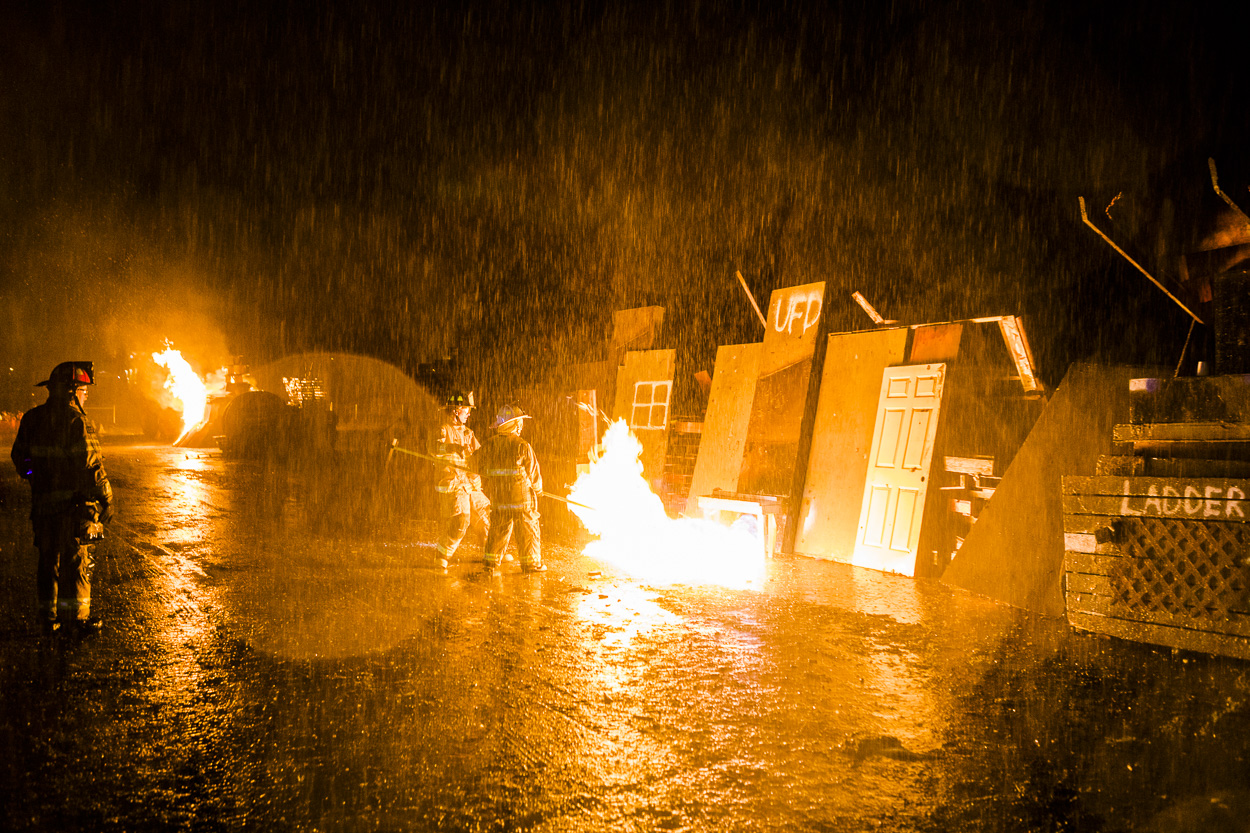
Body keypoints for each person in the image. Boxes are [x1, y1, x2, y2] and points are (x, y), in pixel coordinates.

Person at [10, 361, 114, 635]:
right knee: (76, 563)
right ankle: (76, 619)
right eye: (83, 390)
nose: (85, 395)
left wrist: (37, 476)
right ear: (71, 391)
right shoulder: (75, 421)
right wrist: (107, 499)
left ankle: (49, 619)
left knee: (48, 563)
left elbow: (20, 458)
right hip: (73, 508)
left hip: (43, 507)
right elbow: (90, 466)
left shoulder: (32, 419)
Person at [478, 404, 545, 573]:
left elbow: (477, 466)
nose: (521, 426)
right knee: (527, 530)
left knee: (498, 530)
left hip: (499, 498)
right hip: (521, 500)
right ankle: (530, 564)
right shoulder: (522, 445)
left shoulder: (489, 445)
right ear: (514, 424)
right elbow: (533, 473)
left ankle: (490, 564)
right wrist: (538, 489)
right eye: (520, 423)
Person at [429, 390, 491, 569]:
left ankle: (491, 553)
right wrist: (452, 447)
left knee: (485, 517)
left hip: (471, 484)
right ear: (456, 410)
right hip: (454, 483)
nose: (469, 413)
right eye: (466, 409)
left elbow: (479, 455)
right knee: (461, 520)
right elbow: (432, 447)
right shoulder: (442, 429)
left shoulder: (469, 433)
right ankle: (442, 554)